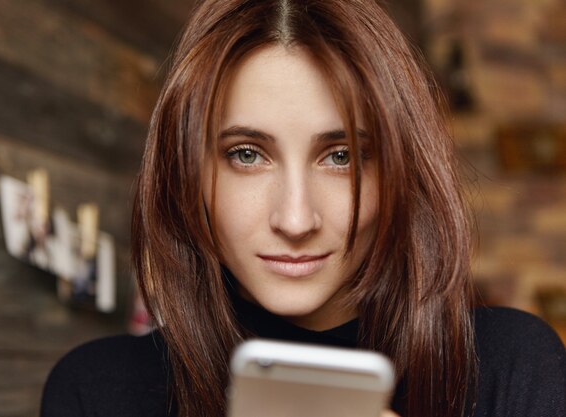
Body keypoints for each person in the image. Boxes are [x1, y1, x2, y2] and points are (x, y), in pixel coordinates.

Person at [40, 1, 566, 416]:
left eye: (340, 157)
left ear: (402, 174)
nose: (295, 220)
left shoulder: (511, 368)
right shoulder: (99, 391)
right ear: (187, 173)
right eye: (247, 154)